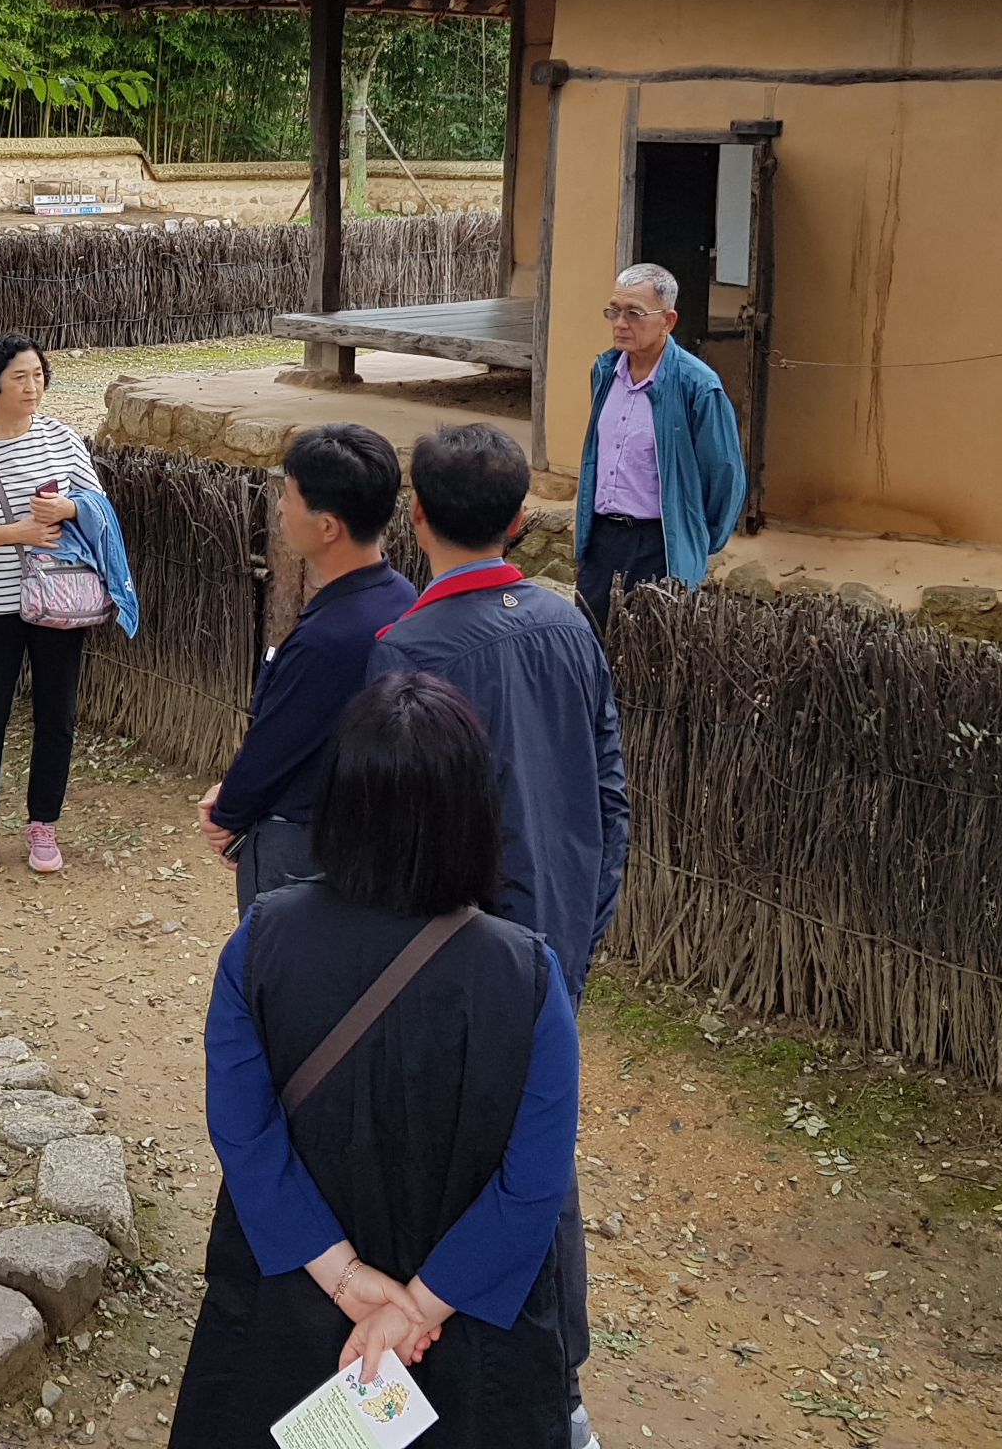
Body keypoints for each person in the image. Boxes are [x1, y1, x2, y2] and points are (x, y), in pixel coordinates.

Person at [175, 671, 579, 1448]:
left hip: (291, 1309)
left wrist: (345, 1278)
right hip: (469, 1345)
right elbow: (535, 1185)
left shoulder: (261, 941)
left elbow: (243, 1133)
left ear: (342, 802)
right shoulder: (527, 975)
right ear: (475, 809)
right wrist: (419, 1307)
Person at [371, 420, 622, 1437]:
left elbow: (388, 833)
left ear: (414, 515)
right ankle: (554, 1390)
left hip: (454, 955)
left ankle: (509, 1390)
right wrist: (580, 931)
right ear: (522, 520)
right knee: (536, 1155)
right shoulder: (567, 622)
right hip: (551, 939)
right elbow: (610, 795)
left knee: (462, 1161)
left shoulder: (409, 648)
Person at [198, 423, 418, 917]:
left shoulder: (329, 638)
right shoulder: (404, 598)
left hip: (305, 842)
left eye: (291, 496)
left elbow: (278, 743)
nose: (279, 507)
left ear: (327, 526)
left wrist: (228, 810)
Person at [0, 332, 105, 875]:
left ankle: (43, 824)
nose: (33, 386)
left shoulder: (62, 439)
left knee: (57, 715)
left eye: (38, 375)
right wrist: (19, 532)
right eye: (19, 377)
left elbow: (96, 506)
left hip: (59, 597)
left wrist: (69, 507)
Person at [575, 262, 746, 634]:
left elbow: (725, 476)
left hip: (659, 544)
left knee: (653, 653)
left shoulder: (698, 386)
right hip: (602, 540)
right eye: (614, 311)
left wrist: (696, 539)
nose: (620, 323)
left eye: (634, 314)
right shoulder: (605, 370)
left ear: (667, 321)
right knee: (588, 644)